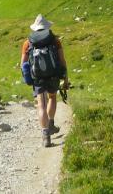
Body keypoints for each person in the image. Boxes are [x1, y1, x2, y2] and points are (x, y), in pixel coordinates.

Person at [20, 14, 69, 148]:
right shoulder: (55, 40)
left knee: (41, 104)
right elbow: (62, 61)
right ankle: (51, 123)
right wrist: (65, 79)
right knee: (52, 98)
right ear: (47, 27)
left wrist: (28, 78)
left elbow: (23, 64)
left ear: (35, 28)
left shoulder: (28, 42)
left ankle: (46, 135)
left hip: (38, 78)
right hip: (53, 75)